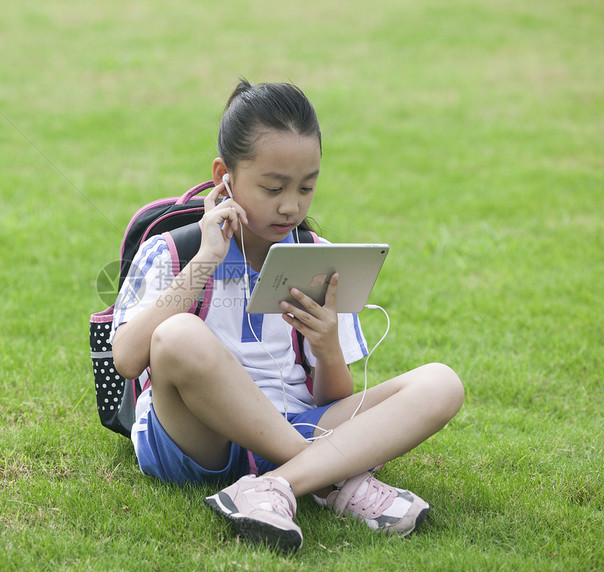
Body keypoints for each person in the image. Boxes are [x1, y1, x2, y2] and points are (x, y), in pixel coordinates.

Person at [109, 79, 464, 552]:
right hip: (198, 439)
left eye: (307, 187)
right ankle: (332, 477)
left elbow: (333, 397)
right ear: (224, 176)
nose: (292, 205)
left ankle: (272, 487)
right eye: (273, 188)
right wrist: (206, 260)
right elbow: (128, 360)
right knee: (177, 335)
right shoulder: (175, 250)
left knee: (441, 383)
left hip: (296, 418)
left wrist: (325, 345)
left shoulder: (314, 256)